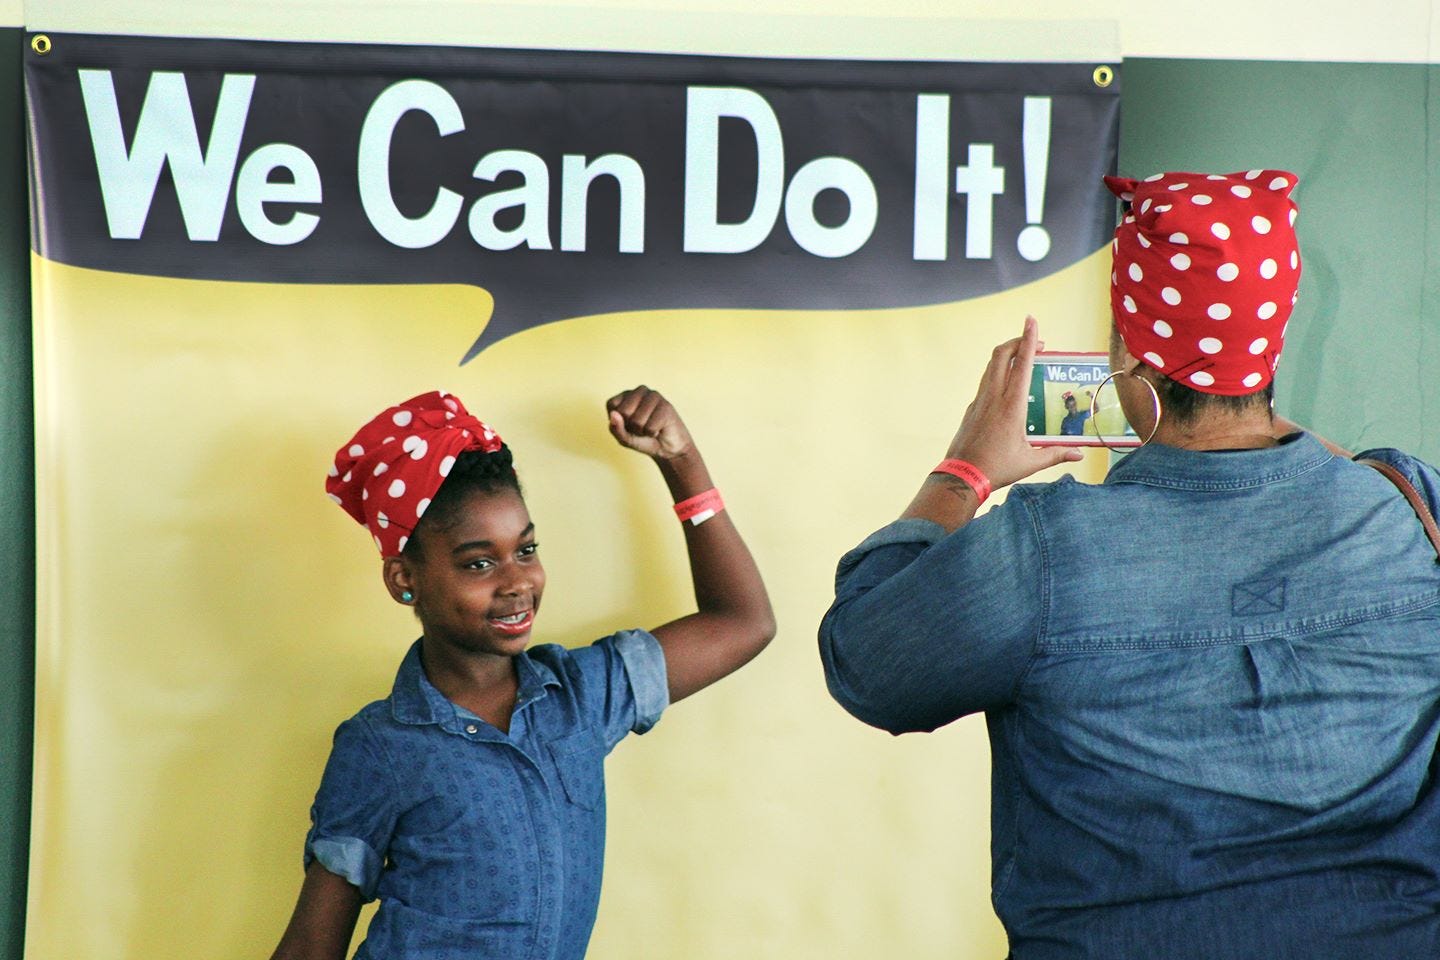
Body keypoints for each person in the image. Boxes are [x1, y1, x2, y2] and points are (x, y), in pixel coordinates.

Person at [818, 170, 1440, 957]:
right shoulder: (1411, 511)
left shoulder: (1041, 553)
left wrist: (966, 467)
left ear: (1129, 353)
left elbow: (866, 662)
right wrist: (1246, 403)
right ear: (1273, 338)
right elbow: (1345, 469)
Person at [271, 386, 774, 960]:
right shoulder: (380, 746)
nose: (516, 582)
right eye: (479, 563)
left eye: (527, 550)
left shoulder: (583, 698)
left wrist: (681, 461)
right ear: (403, 579)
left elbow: (742, 621)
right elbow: (312, 943)